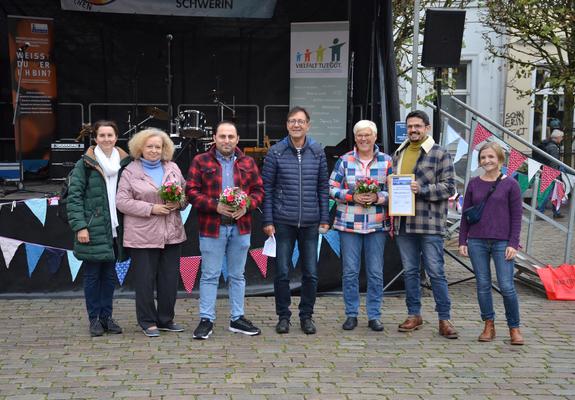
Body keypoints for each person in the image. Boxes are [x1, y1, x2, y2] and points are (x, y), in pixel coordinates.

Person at [186, 121, 264, 340]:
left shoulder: (248, 162)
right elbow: (191, 191)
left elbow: (259, 190)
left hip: (241, 227)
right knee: (210, 274)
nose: (227, 140)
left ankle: (237, 318)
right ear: (214, 138)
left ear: (238, 139)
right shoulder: (200, 161)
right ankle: (206, 320)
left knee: (237, 275)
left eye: (231, 136)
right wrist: (215, 205)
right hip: (213, 227)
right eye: (222, 136)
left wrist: (247, 204)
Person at [262, 106, 330, 335]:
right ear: (287, 125)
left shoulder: (318, 151)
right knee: (282, 272)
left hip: (311, 222)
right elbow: (267, 189)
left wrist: (324, 218)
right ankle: (283, 316)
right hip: (283, 221)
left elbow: (323, 187)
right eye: (292, 121)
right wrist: (268, 220)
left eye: (301, 121)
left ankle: (306, 316)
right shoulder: (276, 152)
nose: (296, 125)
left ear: (308, 125)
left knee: (310, 272)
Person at [392, 110, 458, 339]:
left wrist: (423, 190)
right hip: (404, 223)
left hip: (430, 224)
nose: (413, 130)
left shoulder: (439, 153)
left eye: (418, 126)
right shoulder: (398, 153)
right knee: (410, 272)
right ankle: (414, 314)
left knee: (436, 272)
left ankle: (444, 318)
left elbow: (451, 187)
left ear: (427, 128)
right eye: (410, 126)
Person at [116, 128, 187, 338]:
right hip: (142, 236)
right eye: (150, 146)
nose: (154, 150)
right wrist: (151, 208)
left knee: (169, 280)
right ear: (140, 148)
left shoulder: (173, 167)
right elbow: (122, 202)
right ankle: (147, 321)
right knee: (145, 281)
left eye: (158, 146)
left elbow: (184, 195)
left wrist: (179, 202)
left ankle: (166, 319)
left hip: (172, 233)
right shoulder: (130, 171)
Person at [67, 120, 131, 337]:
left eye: (110, 135)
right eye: (102, 135)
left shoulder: (125, 162)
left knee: (110, 276)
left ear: (116, 137)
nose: (106, 139)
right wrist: (80, 227)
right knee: (93, 276)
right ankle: (94, 319)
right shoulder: (84, 164)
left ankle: (107, 317)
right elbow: (73, 198)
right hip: (93, 228)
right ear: (95, 138)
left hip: (116, 228)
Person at [329, 120, 392, 332]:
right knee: (350, 272)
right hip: (349, 224)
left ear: (375, 137)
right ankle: (351, 314)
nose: (363, 139)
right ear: (355, 138)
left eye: (367, 135)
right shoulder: (344, 161)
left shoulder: (387, 161)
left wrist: (378, 197)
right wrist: (351, 196)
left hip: (376, 225)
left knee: (375, 272)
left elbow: (396, 191)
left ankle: (374, 315)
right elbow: (331, 188)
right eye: (359, 135)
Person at [459, 142, 524, 345]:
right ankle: (488, 324)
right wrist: (463, 240)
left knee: (506, 285)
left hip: (502, 242)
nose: (487, 161)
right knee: (483, 285)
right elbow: (466, 214)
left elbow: (517, 216)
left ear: (500, 160)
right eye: (483, 157)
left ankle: (514, 327)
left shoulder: (511, 184)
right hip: (477, 240)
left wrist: (513, 243)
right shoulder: (474, 183)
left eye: (491, 157)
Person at [536, 129, 564, 218]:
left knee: (554, 192)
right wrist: (557, 175)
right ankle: (539, 212)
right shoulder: (553, 147)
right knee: (549, 193)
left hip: (545, 170)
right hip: (551, 172)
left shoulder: (547, 144)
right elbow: (554, 162)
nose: (562, 139)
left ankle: (556, 212)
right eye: (561, 137)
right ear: (558, 137)